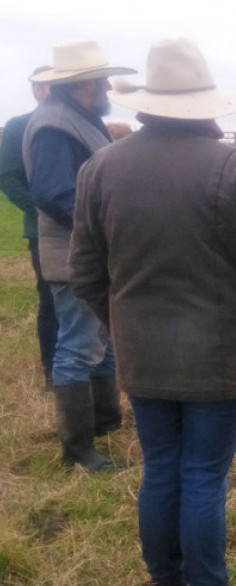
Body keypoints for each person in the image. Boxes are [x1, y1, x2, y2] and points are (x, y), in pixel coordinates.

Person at [69, 38, 236, 586]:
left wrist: (121, 325)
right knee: (202, 476)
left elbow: (85, 271)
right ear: (204, 103)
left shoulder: (100, 168)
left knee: (162, 468)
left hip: (143, 354)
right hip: (219, 356)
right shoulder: (234, 169)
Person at [22, 40, 136, 472]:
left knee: (98, 342)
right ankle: (77, 447)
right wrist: (105, 230)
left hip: (89, 252)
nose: (109, 86)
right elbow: (54, 194)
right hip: (74, 256)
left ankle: (104, 421)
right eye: (103, 80)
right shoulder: (55, 125)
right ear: (85, 85)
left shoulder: (76, 118)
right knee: (77, 346)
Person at [0, 65, 56, 389]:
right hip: (41, 229)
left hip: (83, 227)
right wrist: (39, 209)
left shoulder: (79, 124)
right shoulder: (19, 126)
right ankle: (52, 368)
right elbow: (7, 176)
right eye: (50, 85)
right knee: (49, 297)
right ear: (37, 89)